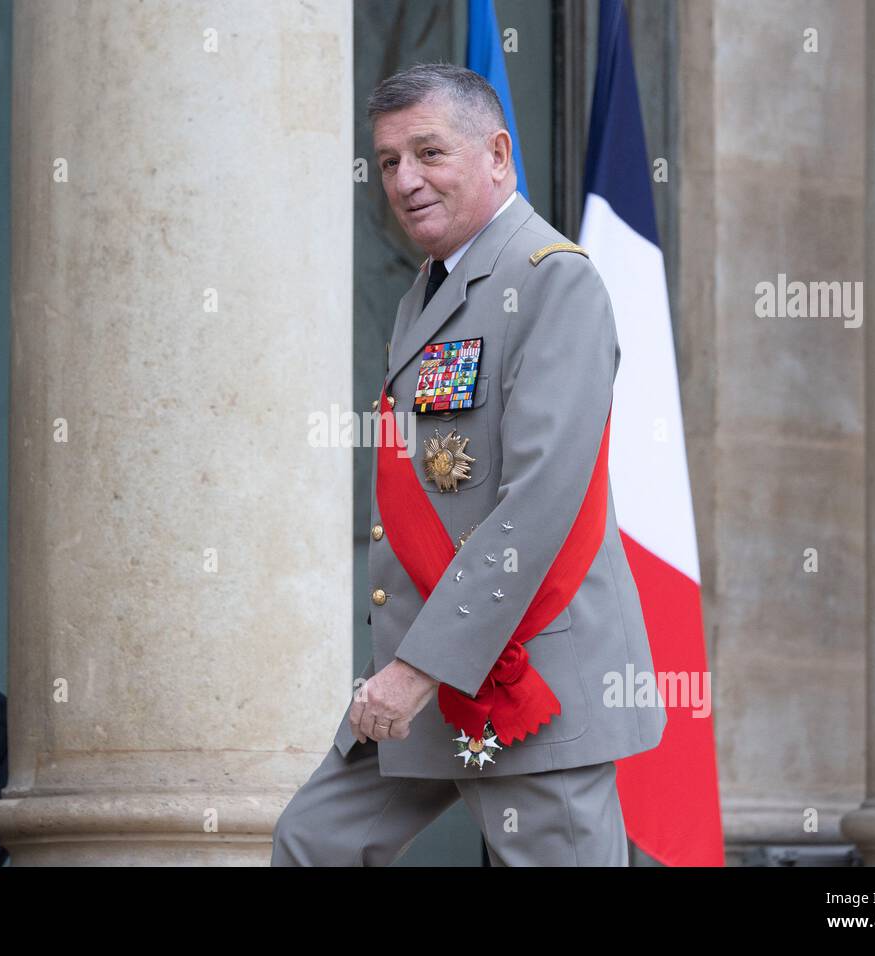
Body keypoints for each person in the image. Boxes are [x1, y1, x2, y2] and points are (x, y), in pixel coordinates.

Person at [271, 63, 665, 866]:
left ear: (496, 153)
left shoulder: (553, 281)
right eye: (389, 161)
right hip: (434, 666)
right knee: (314, 842)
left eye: (428, 153)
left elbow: (542, 500)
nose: (405, 180)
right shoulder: (433, 287)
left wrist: (418, 669)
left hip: (526, 677)